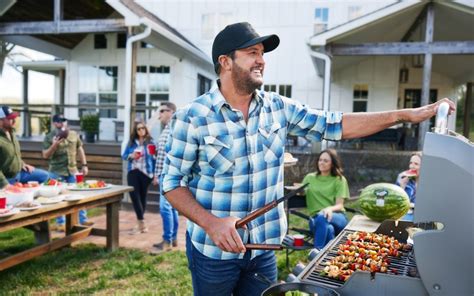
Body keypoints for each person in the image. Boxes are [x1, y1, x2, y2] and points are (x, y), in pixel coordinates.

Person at [160, 22, 456, 295]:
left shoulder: (278, 108)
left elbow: (337, 124)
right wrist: (211, 223)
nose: (261, 60)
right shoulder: (192, 117)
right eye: (252, 53)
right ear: (225, 62)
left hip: (263, 250)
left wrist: (403, 115)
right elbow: (171, 183)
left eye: (262, 53)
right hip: (214, 254)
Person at [42, 114, 92, 230]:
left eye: (64, 120)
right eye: (60, 121)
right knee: (58, 197)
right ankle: (61, 223)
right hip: (56, 171)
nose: (63, 123)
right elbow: (45, 155)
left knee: (80, 194)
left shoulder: (74, 135)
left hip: (73, 170)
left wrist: (84, 165)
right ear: (55, 123)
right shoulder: (49, 137)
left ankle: (83, 220)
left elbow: (80, 149)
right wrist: (54, 145)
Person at [302, 149, 349, 250]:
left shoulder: (339, 179)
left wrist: (328, 209)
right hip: (316, 219)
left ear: (332, 164)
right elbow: (300, 191)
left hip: (337, 217)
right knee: (329, 229)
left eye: (325, 161)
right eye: (320, 160)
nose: (321, 163)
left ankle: (316, 252)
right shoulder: (309, 178)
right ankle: (330, 259)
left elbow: (340, 205)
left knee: (322, 216)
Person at [151, 102, 179, 251]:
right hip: (163, 174)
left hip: (170, 175)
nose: (159, 114)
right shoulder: (165, 130)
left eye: (162, 111)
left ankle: (167, 240)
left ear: (171, 112)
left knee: (164, 208)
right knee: (171, 208)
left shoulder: (175, 129)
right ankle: (172, 239)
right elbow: (162, 155)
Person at [0, 106, 50, 189]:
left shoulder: (11, 132)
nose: (14, 121)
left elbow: (14, 154)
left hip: (20, 173)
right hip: (6, 179)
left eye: (13, 118)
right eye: (9, 119)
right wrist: (5, 184)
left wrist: (23, 164)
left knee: (45, 176)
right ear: (0, 121)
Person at [122, 121, 156, 234]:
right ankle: (142, 223)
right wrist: (131, 156)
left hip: (146, 174)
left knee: (142, 198)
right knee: (134, 197)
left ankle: (139, 223)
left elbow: (155, 159)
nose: (141, 130)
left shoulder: (151, 142)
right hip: (133, 172)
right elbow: (124, 156)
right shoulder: (132, 143)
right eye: (138, 129)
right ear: (135, 131)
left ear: (146, 129)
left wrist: (155, 175)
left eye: (142, 128)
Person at [396, 151, 422, 221]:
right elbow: (396, 203)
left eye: (416, 164)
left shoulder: (429, 183)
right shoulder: (402, 177)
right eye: (411, 163)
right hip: (405, 215)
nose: (412, 166)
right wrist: (402, 186)